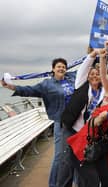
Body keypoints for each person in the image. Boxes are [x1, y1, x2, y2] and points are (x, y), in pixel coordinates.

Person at [1, 58, 76, 187]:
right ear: (53, 69)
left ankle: (67, 182)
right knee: (59, 156)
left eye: (64, 66)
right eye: (58, 66)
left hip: (76, 122)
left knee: (72, 155)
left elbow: (88, 67)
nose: (61, 68)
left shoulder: (71, 79)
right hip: (61, 123)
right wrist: (10, 86)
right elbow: (29, 90)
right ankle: (54, 184)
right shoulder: (47, 84)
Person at [57, 50, 104, 187]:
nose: (95, 76)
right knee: (66, 163)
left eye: (98, 74)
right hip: (72, 129)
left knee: (84, 163)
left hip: (87, 133)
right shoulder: (81, 85)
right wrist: (93, 54)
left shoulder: (104, 93)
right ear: (87, 76)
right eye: (92, 74)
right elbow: (84, 67)